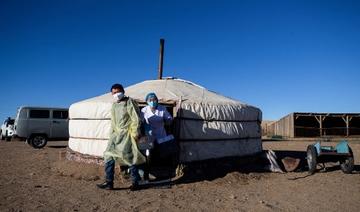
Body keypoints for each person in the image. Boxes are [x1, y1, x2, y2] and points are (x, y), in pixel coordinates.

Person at [97, 83, 146, 191]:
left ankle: (135, 182)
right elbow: (113, 122)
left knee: (129, 157)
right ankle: (109, 182)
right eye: (114, 93)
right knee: (108, 156)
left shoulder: (129, 102)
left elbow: (135, 119)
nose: (116, 94)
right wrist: (112, 135)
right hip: (115, 136)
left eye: (118, 92)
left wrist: (134, 133)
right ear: (111, 94)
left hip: (127, 135)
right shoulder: (114, 105)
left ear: (123, 92)